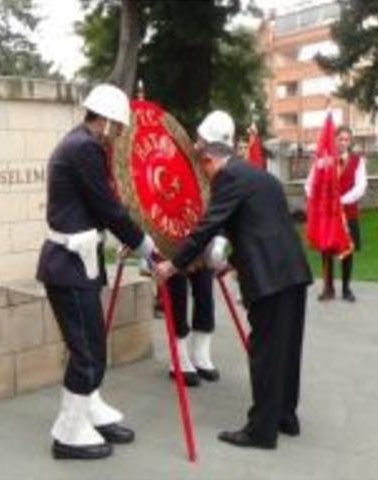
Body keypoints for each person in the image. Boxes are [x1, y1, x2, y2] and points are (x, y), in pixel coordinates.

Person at [154, 110, 312, 450]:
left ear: (212, 157)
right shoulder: (259, 176)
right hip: (293, 274)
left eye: (204, 165)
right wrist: (233, 263)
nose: (206, 174)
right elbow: (259, 227)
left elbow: (207, 227)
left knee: (265, 352)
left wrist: (172, 266)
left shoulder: (229, 178)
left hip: (269, 280)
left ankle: (261, 431)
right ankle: (285, 416)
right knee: (286, 350)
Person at [36, 83, 156, 460]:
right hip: (70, 266)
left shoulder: (80, 142)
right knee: (89, 354)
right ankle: (69, 432)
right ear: (102, 120)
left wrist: (120, 238)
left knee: (87, 347)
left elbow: (96, 207)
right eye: (117, 126)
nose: (119, 134)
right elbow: (108, 208)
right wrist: (146, 247)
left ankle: (87, 409)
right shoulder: (84, 147)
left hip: (76, 264)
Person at [305, 125, 367, 302]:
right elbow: (310, 183)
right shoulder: (324, 160)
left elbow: (361, 186)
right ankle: (328, 287)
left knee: (347, 250)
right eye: (340, 139)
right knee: (327, 249)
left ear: (350, 141)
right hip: (328, 215)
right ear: (334, 140)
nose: (343, 142)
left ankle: (346, 288)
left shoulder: (357, 161)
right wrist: (316, 199)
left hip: (348, 213)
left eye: (347, 139)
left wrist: (343, 200)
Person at [167, 267, 219, 387]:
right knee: (177, 285)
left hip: (195, 250)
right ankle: (178, 358)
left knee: (205, 284)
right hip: (165, 251)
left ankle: (200, 355)